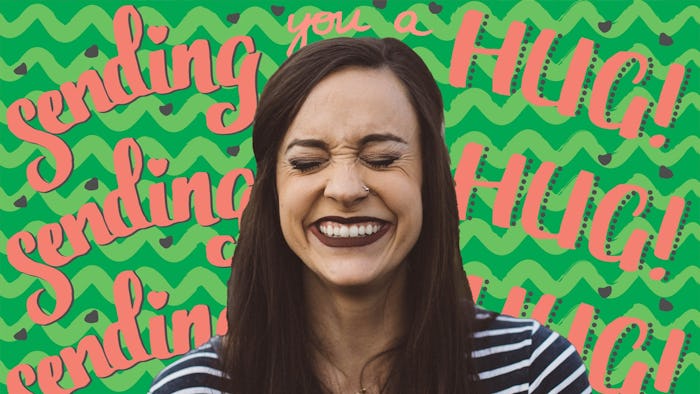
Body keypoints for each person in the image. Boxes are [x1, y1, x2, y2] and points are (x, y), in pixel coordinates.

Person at [149, 37, 591, 394]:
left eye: (381, 159)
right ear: (272, 193)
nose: (344, 190)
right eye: (307, 163)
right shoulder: (196, 387)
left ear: (430, 181)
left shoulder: (534, 369)